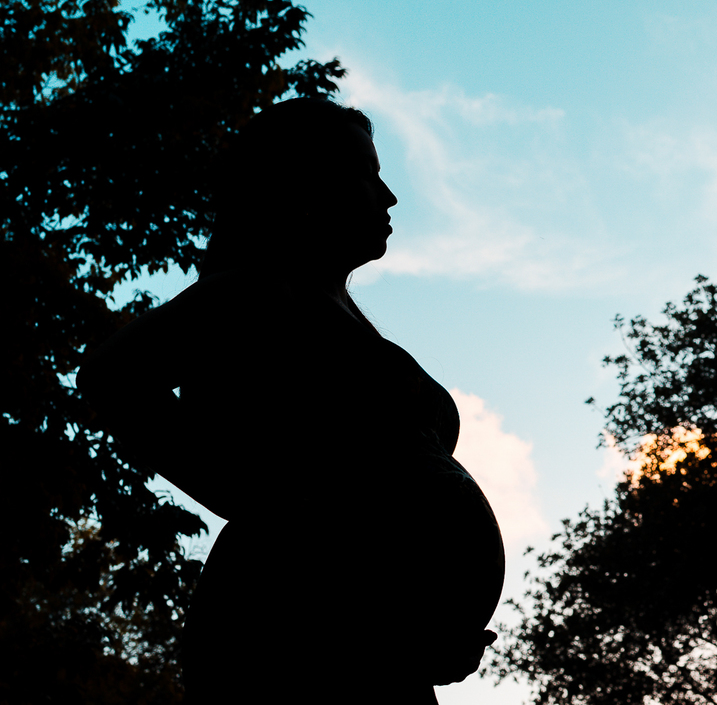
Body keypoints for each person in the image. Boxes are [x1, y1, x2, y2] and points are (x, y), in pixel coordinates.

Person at [77, 98, 504, 703]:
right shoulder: (251, 295)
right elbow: (111, 377)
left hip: (379, 648)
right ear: (303, 188)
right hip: (290, 628)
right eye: (366, 175)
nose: (388, 197)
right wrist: (265, 509)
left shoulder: (340, 319)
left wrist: (437, 621)